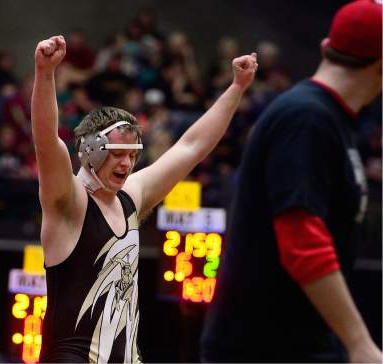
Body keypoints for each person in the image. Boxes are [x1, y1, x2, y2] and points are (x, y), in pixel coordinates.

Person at [31, 34, 257, 363]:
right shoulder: (69, 201)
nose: (126, 163)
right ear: (91, 152)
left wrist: (236, 88)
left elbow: (190, 147)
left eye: (132, 155)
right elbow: (46, 142)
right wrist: (45, 73)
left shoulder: (130, 197)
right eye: (117, 153)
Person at [200, 1, 383, 363]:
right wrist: (360, 344)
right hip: (263, 349)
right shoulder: (307, 118)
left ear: (325, 48)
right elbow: (302, 240)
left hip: (300, 342)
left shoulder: (330, 118)